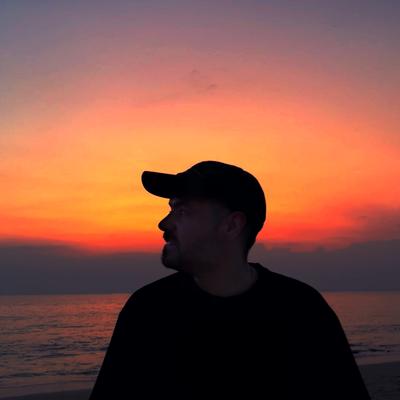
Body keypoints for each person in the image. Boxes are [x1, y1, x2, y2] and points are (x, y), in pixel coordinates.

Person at [89, 160, 371, 399]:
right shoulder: (148, 310)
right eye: (171, 209)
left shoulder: (302, 310)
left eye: (182, 211)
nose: (163, 223)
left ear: (232, 225)